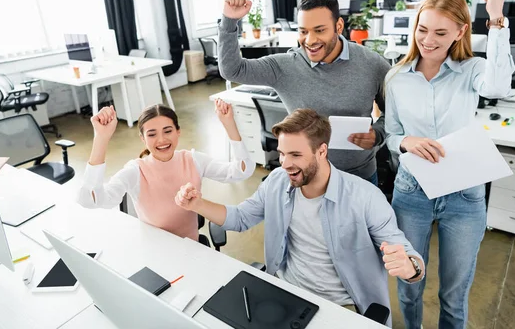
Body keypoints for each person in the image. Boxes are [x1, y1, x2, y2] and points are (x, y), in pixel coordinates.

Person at [176, 108, 425, 325]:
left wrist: (410, 267)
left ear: (322, 151)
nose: (284, 163)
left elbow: (406, 253)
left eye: (295, 155)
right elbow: (240, 218)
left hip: (341, 306)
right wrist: (197, 203)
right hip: (285, 292)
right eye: (282, 153)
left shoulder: (365, 197)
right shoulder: (277, 181)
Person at [384, 0, 514, 329]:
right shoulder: (396, 78)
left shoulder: (473, 70)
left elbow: (499, 87)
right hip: (412, 193)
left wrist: (496, 19)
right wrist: (406, 142)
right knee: (410, 285)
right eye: (422, 29)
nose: (428, 40)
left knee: (454, 295)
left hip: (464, 195)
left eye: (441, 32)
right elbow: (390, 135)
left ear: (460, 32)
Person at [218, 0, 391, 184]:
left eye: (319, 30)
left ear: (339, 26)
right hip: (307, 178)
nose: (309, 40)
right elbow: (232, 70)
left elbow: (395, 113)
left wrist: (378, 134)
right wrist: (229, 22)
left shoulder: (373, 64)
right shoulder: (285, 67)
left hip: (360, 177)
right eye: (303, 31)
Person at [77, 100, 255, 241]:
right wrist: (101, 138)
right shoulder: (136, 170)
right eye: (152, 134)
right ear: (142, 139)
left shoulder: (193, 160)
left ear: (178, 132)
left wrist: (229, 124)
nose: (161, 140)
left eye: (168, 131)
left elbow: (241, 171)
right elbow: (90, 200)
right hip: (156, 253)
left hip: (190, 250)